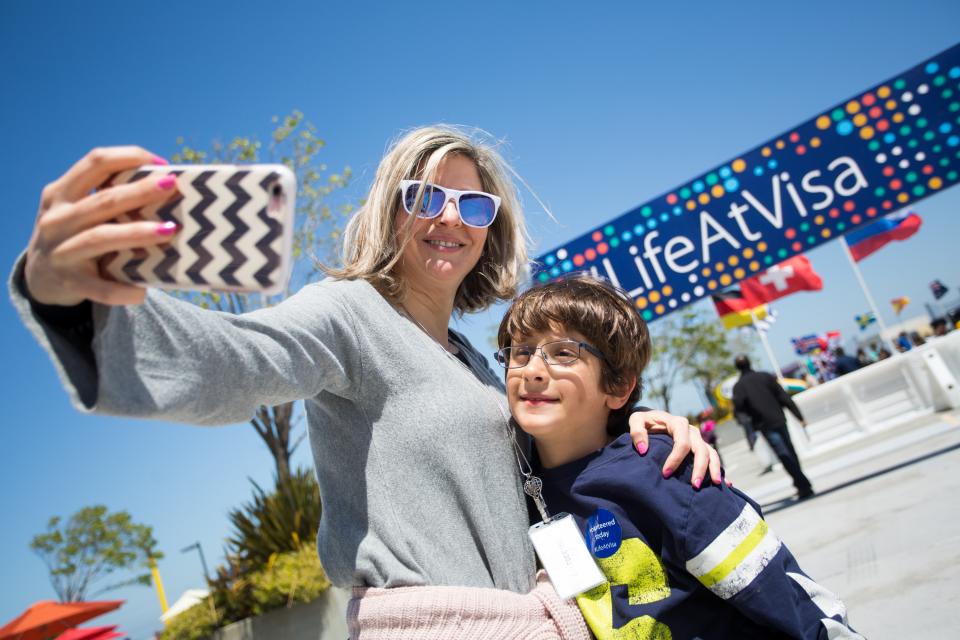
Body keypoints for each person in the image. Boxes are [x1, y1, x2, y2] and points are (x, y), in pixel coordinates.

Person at [11, 129, 719, 638]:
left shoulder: (474, 360)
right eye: (426, 196)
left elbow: (547, 452)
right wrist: (73, 301)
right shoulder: (348, 313)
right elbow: (236, 358)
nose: (451, 218)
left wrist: (635, 425)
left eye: (475, 208)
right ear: (389, 207)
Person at [496, 276, 862, 639]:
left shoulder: (665, 470)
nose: (532, 370)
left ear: (618, 386)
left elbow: (784, 595)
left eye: (563, 353)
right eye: (521, 352)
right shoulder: (515, 488)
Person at [732, 355, 815, 500]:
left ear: (737, 368)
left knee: (784, 454)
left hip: (764, 424)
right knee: (790, 451)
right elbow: (783, 397)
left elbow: (739, 410)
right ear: (749, 362)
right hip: (779, 419)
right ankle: (801, 483)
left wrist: (748, 427)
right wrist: (799, 416)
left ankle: (802, 484)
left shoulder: (739, 387)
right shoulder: (765, 376)